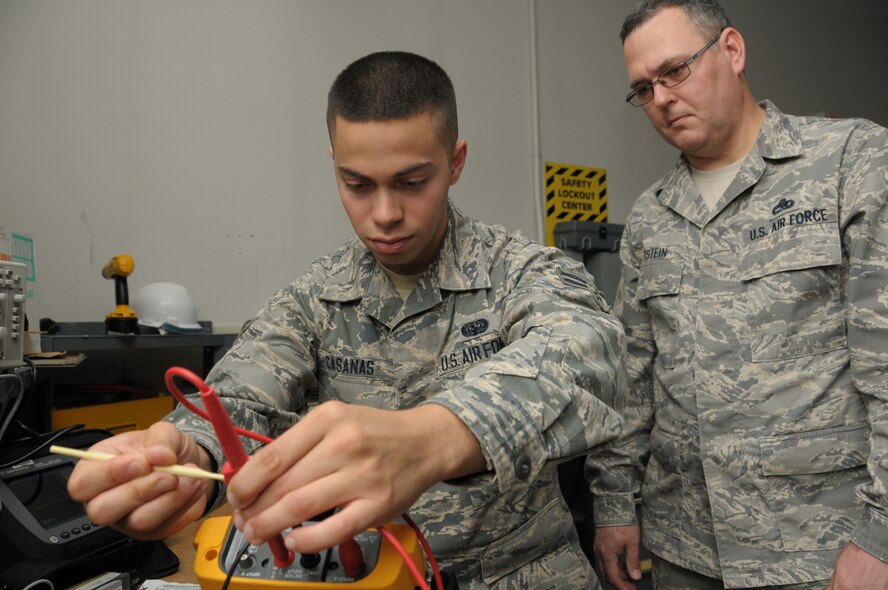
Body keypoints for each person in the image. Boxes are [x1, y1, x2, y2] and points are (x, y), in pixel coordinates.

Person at [68, 51, 628, 589]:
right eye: (357, 185)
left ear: (455, 162)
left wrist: (432, 438)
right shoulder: (313, 298)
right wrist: (188, 453)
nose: (384, 214)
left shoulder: (518, 269)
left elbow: (590, 352)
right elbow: (242, 396)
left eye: (412, 182)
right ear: (334, 163)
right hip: (365, 576)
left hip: (518, 574)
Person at [585, 1, 888, 589]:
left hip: (820, 549)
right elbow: (633, 376)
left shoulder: (850, 161)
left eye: (676, 71)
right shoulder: (651, 216)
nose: (662, 98)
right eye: (643, 88)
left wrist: (880, 536)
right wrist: (616, 503)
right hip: (686, 550)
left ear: (732, 50)